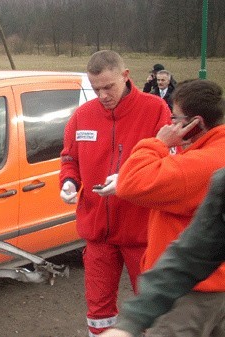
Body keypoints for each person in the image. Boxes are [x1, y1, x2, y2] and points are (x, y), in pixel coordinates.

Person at [59, 50, 171, 336]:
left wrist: (127, 179)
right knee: (98, 311)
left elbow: (170, 164)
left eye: (109, 87)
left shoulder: (155, 110)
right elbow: (69, 159)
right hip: (98, 231)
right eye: (96, 89)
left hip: (141, 231)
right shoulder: (83, 116)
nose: (103, 95)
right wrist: (69, 183)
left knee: (154, 307)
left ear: (126, 76)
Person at [110, 79, 225, 336]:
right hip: (212, 286)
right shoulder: (216, 150)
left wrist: (158, 143)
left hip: (190, 294)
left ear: (196, 122)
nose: (172, 123)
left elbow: (131, 184)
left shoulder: (203, 162)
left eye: (176, 118)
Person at [100, 167, 225, 337]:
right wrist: (129, 323)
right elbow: (193, 254)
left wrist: (160, 141)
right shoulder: (222, 182)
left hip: (202, 295)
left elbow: (135, 182)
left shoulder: (211, 155)